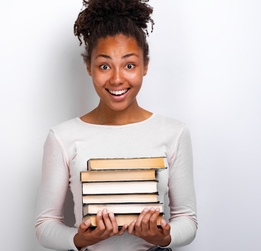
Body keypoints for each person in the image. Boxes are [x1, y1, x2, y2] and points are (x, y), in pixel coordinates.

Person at [34, 0, 197, 250]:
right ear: (89, 67)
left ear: (145, 66)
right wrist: (79, 240)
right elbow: (46, 224)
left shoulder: (174, 132)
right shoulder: (62, 137)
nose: (117, 78)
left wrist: (163, 237)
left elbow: (187, 219)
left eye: (129, 65)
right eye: (104, 66)